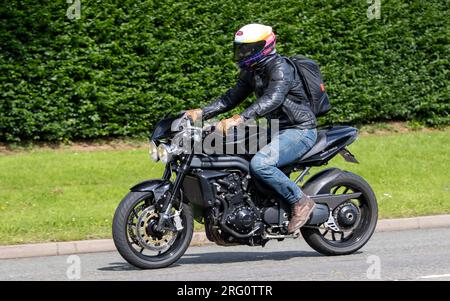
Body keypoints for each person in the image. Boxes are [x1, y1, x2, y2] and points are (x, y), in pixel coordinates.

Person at [185, 23, 317, 233]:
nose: (242, 53)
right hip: (272, 128)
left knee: (261, 164)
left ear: (263, 47)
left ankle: (301, 201)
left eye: (247, 48)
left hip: (298, 130)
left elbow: (273, 98)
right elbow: (231, 97)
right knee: (226, 149)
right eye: (240, 48)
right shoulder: (252, 71)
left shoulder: (280, 67)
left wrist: (240, 118)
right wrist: (202, 112)